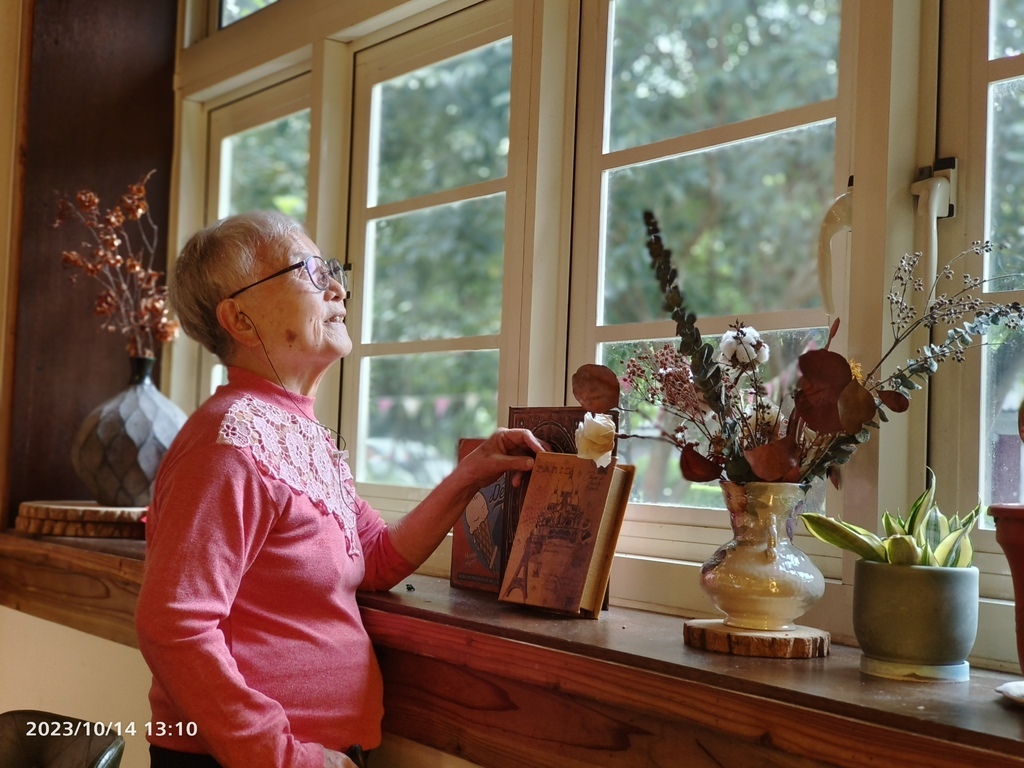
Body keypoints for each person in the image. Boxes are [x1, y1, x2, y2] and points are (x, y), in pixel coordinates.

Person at [135, 210, 545, 768]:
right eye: (309, 270)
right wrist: (283, 758)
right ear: (241, 318)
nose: (337, 285)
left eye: (332, 268)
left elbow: (374, 558)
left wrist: (472, 473)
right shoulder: (229, 441)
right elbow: (173, 627)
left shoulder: (298, 432)